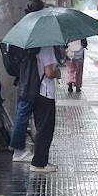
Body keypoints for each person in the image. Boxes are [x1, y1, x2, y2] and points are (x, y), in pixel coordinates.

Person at [11, 0, 44, 162]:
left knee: (22, 111)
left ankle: (19, 148)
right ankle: (18, 150)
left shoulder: (21, 26)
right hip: (30, 76)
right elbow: (33, 51)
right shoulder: (32, 28)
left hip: (23, 75)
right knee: (23, 112)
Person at [30, 44, 62, 173]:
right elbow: (49, 73)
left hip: (37, 92)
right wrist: (57, 74)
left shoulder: (35, 48)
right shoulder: (47, 49)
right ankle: (38, 163)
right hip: (46, 93)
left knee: (41, 127)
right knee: (46, 129)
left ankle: (42, 159)